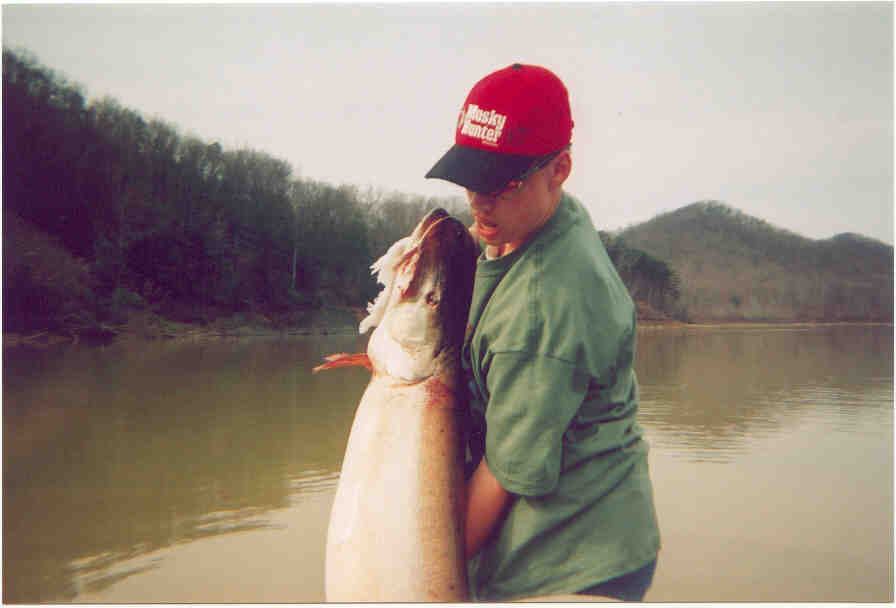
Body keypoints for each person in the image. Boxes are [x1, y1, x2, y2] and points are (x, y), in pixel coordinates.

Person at [424, 63, 661, 602]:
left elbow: (504, 475)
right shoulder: (542, 216)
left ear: (560, 169)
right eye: (471, 177)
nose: (479, 201)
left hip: (575, 569)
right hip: (571, 538)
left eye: (501, 182)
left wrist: (423, 580)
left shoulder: (542, 308)